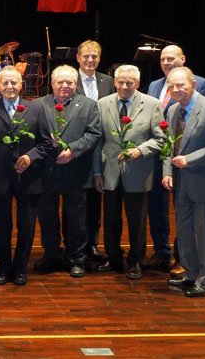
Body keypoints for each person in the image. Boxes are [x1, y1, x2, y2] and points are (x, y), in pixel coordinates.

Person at [0, 66, 50, 286]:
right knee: (0, 224)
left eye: (14, 82)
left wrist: (30, 157)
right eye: (5, 82)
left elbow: (47, 143)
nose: (10, 86)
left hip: (28, 176)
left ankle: (20, 267)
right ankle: (4, 266)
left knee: (26, 224)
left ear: (21, 84)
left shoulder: (35, 108)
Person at [162, 66, 205, 297]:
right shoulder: (173, 110)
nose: (176, 89)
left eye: (181, 85)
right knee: (184, 232)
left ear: (192, 84)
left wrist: (189, 160)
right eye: (171, 86)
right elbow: (169, 146)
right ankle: (191, 273)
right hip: (181, 183)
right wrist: (168, 172)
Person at [93, 65, 165, 280]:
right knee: (110, 219)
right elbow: (98, 141)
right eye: (121, 82)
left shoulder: (152, 104)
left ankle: (136, 261)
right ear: (114, 82)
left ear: (138, 83)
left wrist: (141, 150)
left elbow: (161, 139)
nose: (125, 86)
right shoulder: (102, 104)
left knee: (137, 221)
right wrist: (97, 173)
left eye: (129, 82)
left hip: (138, 173)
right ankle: (113, 258)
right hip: (110, 173)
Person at [144, 45, 205, 275]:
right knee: (157, 207)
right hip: (158, 156)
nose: (166, 62)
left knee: (183, 210)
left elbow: (200, 122)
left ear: (183, 59)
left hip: (184, 158)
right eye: (163, 59)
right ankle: (161, 252)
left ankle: (183, 257)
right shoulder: (154, 85)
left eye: (171, 58)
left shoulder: (200, 83)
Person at [33, 65, 101, 278]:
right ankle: (51, 255)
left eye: (69, 82)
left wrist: (73, 150)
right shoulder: (38, 105)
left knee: (77, 219)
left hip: (76, 171)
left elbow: (94, 133)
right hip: (46, 171)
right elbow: (32, 134)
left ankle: (76, 258)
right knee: (47, 216)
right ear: (52, 83)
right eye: (60, 82)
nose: (64, 85)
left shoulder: (89, 105)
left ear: (75, 84)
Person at [74, 40, 114, 264]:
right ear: (78, 58)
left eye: (94, 56)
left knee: (95, 200)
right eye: (86, 56)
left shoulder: (107, 81)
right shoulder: (69, 78)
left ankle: (93, 243)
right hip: (77, 146)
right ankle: (74, 243)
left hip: (101, 147)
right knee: (76, 201)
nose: (90, 60)